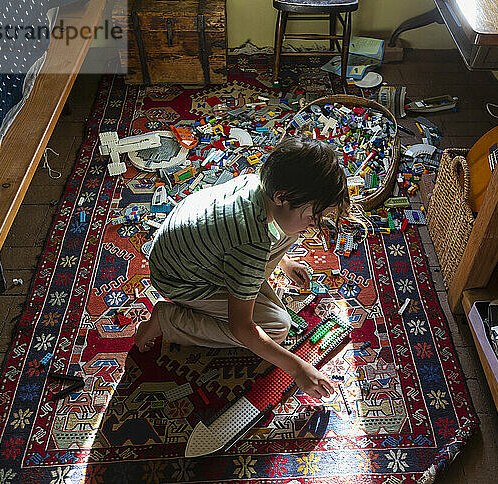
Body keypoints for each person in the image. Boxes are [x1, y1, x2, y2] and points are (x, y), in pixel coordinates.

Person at [134, 136, 350, 399]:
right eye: (311, 216)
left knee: (289, 232)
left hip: (182, 249)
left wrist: (284, 261)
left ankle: (249, 280)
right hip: (181, 281)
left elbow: (265, 230)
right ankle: (168, 320)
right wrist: (296, 368)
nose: (315, 225)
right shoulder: (251, 241)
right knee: (276, 327)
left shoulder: (259, 183)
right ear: (282, 197)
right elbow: (241, 328)